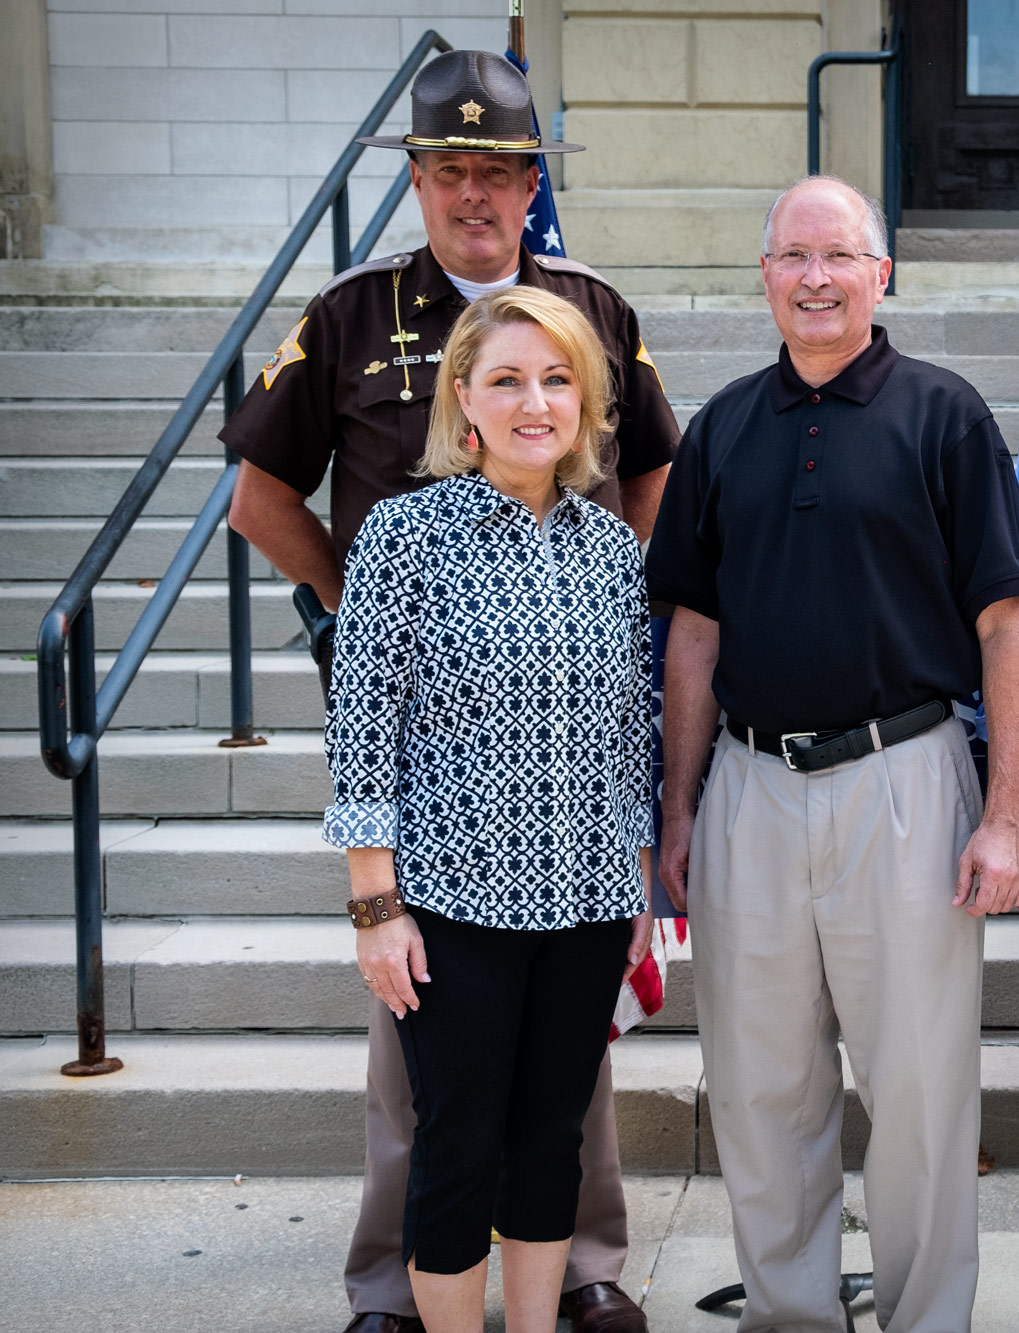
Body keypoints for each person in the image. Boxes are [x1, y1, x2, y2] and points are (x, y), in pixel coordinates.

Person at [222, 49, 677, 1333]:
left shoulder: (590, 305)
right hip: (441, 809)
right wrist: (352, 613)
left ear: (533, 183)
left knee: (550, 1105)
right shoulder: (354, 313)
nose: (475, 193)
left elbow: (649, 477)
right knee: (429, 1101)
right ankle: (398, 1296)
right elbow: (263, 494)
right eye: (450, 171)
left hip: (577, 845)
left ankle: (577, 1274)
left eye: (500, 172)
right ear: (417, 181)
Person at [649, 174, 1019, 1333]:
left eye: (838, 256)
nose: (814, 279)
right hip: (749, 789)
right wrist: (677, 806)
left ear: (882, 272)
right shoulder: (720, 426)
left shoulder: (943, 414)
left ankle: (927, 1319)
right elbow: (692, 632)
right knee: (764, 1088)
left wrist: (1005, 809)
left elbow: (1006, 621)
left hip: (907, 777)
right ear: (764, 277)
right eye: (791, 257)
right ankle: (789, 1315)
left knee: (918, 1093)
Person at [325, 285, 653, 1333]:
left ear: (587, 404)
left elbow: (626, 733)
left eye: (557, 379)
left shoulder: (611, 551)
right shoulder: (403, 534)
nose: (533, 401)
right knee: (459, 1143)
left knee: (551, 1139)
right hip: (452, 905)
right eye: (506, 379)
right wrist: (376, 906)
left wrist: (637, 883)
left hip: (587, 902)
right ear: (463, 398)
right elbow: (363, 723)